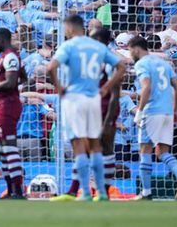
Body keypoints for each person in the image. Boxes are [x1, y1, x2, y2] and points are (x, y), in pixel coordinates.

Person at [47, 15, 125, 201]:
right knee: (95, 146)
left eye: (66, 28)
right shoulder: (98, 47)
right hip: (93, 99)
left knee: (79, 146)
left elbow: (51, 68)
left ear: (71, 28)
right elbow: (122, 66)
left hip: (74, 98)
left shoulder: (69, 45)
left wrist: (59, 87)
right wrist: (106, 87)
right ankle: (103, 193)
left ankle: (86, 193)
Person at [128, 35, 177, 201]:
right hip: (167, 111)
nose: (130, 53)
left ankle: (146, 192)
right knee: (162, 151)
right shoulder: (163, 63)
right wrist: (175, 110)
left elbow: (146, 87)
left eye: (129, 50)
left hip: (152, 111)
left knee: (145, 150)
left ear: (136, 48)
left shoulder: (142, 64)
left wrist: (139, 111)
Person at [0, 27, 26, 199]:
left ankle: (17, 190)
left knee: (9, 146)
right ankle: (10, 190)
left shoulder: (10, 56)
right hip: (4, 104)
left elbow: (10, 83)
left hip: (8, 105)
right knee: (3, 147)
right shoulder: (9, 56)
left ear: (2, 39)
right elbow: (23, 77)